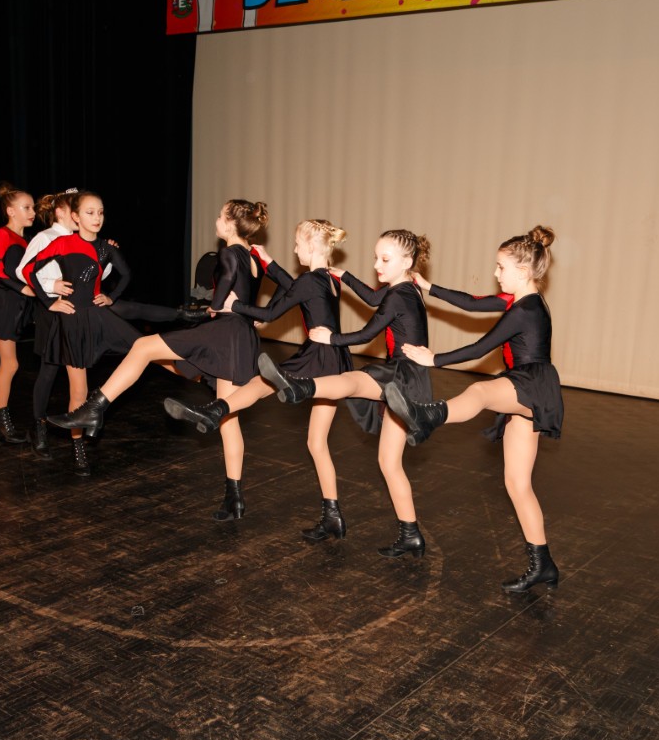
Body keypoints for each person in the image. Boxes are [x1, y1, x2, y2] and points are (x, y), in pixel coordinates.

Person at [48, 199, 270, 519]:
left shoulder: (228, 253)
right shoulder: (254, 257)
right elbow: (263, 293)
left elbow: (221, 300)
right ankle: (234, 497)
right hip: (241, 339)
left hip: (223, 333)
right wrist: (251, 313)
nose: (217, 221)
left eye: (221, 216)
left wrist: (212, 306)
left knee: (143, 347)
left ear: (232, 223)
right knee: (227, 418)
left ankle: (94, 409)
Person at [383, 226, 563, 593]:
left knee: (480, 391)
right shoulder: (520, 300)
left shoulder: (524, 309)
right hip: (529, 386)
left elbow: (481, 347)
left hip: (530, 383)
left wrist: (435, 359)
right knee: (517, 484)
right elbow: (472, 303)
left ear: (523, 271)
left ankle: (428, 415)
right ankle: (543, 564)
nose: (496, 273)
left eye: (501, 267)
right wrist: (430, 287)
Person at [164, 219, 354, 541]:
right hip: (335, 359)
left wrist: (234, 305)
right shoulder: (329, 279)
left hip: (317, 358)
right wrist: (268, 262)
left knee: (260, 383)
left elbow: (269, 315)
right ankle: (333, 516)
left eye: (297, 244)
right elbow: (293, 286)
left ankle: (213, 411)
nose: (295, 249)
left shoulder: (309, 281)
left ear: (311, 246)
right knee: (316, 442)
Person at [256, 229, 432, 558]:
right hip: (412, 378)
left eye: (385, 260)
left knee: (352, 380)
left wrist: (331, 339)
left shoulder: (399, 296)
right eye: (376, 258)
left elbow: (367, 333)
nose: (376, 265)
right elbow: (373, 299)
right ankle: (411, 535)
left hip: (403, 376)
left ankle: (301, 386)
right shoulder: (405, 289)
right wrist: (345, 276)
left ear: (407, 262)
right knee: (388, 462)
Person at [24, 191, 201, 475]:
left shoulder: (106, 247)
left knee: (146, 348)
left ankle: (200, 374)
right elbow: (30, 271)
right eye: (90, 212)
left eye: (101, 212)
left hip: (99, 316)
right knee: (79, 390)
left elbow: (127, 274)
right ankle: (79, 450)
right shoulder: (62, 242)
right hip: (72, 322)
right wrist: (50, 301)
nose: (97, 218)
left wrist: (111, 297)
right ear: (75, 217)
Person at [16, 189, 79, 461]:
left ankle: (78, 434)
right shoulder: (45, 238)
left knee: (78, 371)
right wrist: (52, 286)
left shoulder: (79, 238)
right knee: (49, 371)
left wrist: (110, 257)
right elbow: (22, 270)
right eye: (75, 209)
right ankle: (38, 427)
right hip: (51, 312)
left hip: (75, 312)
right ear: (60, 212)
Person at [0, 181, 36, 445]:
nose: (33, 212)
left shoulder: (24, 239)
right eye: (26, 207)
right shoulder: (3, 235)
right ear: (11, 211)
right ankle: (0, 422)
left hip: (13, 302)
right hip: (2, 301)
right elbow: (1, 272)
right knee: (10, 363)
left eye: (32, 207)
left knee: (11, 363)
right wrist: (25, 289)